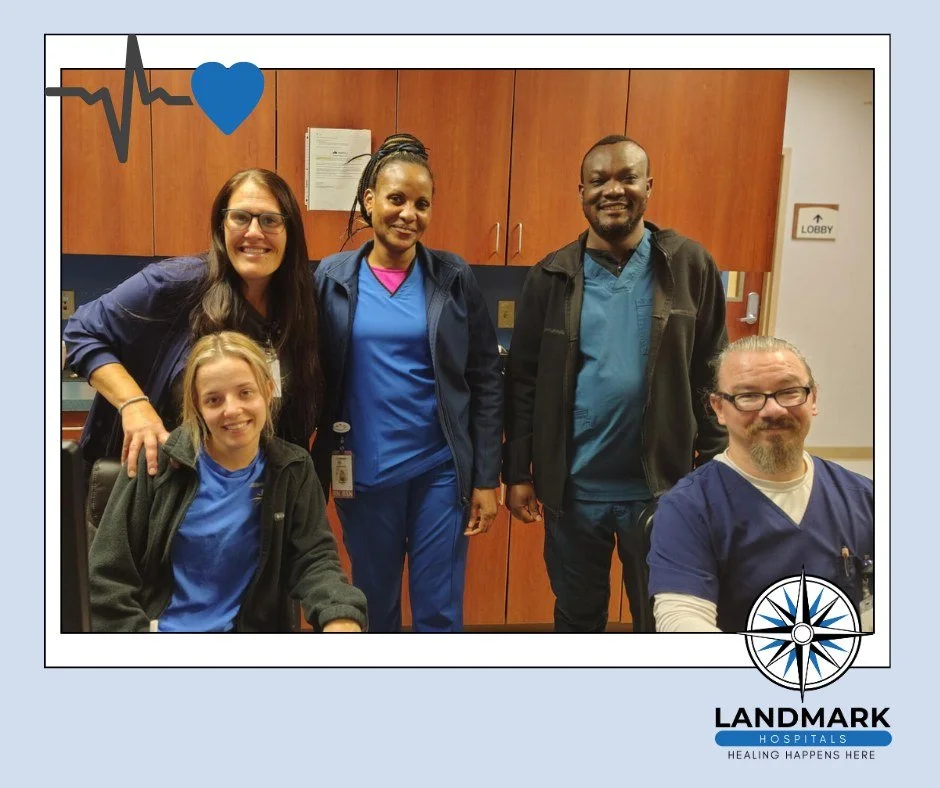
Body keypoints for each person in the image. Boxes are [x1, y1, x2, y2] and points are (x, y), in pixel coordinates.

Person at [503, 134, 728, 632]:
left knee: (662, 619)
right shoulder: (550, 275)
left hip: (663, 489)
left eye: (627, 177)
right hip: (574, 490)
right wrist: (518, 471)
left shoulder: (691, 266)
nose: (613, 190)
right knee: (578, 618)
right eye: (599, 180)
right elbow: (521, 381)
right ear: (580, 190)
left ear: (648, 186)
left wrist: (716, 470)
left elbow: (715, 374)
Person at [312, 133, 503, 633]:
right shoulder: (331, 279)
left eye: (422, 204)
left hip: (439, 473)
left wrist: (487, 477)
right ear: (370, 201)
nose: (408, 214)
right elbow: (308, 370)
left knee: (438, 607)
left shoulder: (453, 277)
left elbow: (485, 379)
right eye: (396, 199)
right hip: (362, 472)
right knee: (372, 603)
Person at [89, 331, 367, 632]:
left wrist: (340, 614)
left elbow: (315, 561)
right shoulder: (156, 463)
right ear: (197, 406)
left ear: (267, 390)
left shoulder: (292, 469)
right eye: (214, 399)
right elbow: (106, 578)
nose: (232, 410)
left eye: (245, 392)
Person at [64, 169, 321, 477]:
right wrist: (134, 404)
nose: (254, 232)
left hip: (254, 498)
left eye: (270, 220)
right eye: (241, 217)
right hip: (164, 490)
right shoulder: (174, 284)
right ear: (221, 224)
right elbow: (81, 331)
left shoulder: (301, 307)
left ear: (289, 230)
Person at [647, 336, 874, 633]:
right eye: (748, 396)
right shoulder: (689, 508)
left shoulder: (865, 497)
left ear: (813, 398)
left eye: (790, 392)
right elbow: (683, 619)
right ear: (718, 408)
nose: (773, 410)